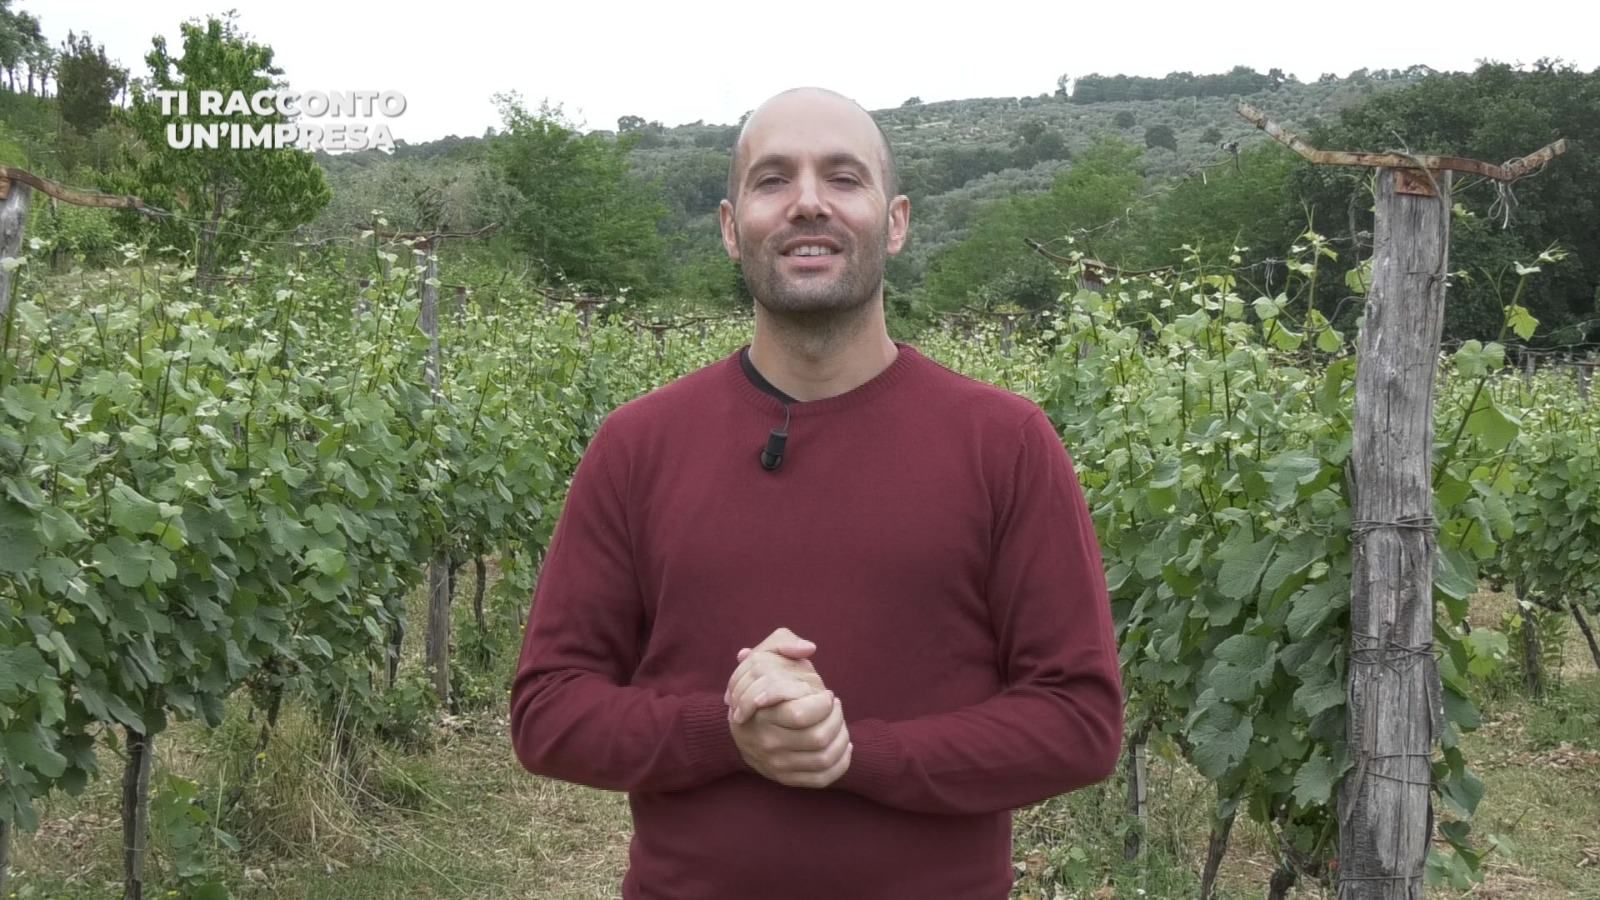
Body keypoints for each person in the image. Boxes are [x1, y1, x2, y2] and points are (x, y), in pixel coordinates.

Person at [509, 86, 1123, 900]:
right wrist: (730, 731)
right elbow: (549, 711)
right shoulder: (638, 446)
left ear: (894, 220)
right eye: (772, 181)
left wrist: (849, 752)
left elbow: (1078, 721)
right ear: (732, 229)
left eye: (842, 178)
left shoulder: (1003, 443)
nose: (807, 203)